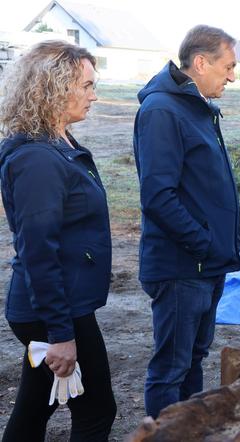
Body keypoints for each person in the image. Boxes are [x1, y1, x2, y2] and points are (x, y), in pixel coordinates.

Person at [0, 41, 116, 441]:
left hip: (61, 302)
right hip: (53, 308)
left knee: (35, 408)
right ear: (52, 87)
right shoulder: (37, 160)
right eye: (85, 85)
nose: (94, 94)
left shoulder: (59, 143)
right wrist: (61, 334)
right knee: (97, 411)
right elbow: (38, 253)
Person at [133, 25, 240, 419]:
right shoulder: (163, 110)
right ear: (200, 63)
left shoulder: (193, 105)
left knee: (193, 360)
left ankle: (188, 429)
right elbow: (158, 196)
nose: (232, 76)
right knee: (171, 369)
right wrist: (203, 243)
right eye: (227, 66)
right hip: (182, 266)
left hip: (205, 263)